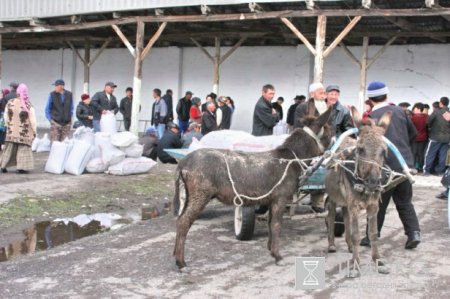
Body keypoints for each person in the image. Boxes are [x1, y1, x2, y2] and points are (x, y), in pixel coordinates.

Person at [360, 81, 421, 249]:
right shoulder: (400, 111)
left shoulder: (370, 118)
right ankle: (414, 233)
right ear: (387, 95)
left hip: (383, 167)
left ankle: (371, 236)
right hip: (404, 165)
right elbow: (413, 134)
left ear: (370, 99)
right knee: (405, 201)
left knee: (377, 202)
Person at [1, 84, 37, 174]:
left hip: (11, 131)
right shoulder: (28, 105)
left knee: (8, 149)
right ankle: (21, 168)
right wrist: (34, 131)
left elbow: (5, 116)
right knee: (23, 149)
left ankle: (3, 166)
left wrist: (8, 125)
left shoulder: (10, 102)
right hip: (24, 133)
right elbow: (33, 120)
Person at [423, 96, 450, 176]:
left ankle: (426, 171)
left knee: (430, 154)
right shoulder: (449, 112)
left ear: (440, 103)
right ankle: (440, 171)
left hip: (435, 137)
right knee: (443, 155)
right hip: (447, 138)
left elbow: (428, 122)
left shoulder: (436, 112)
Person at [411, 103, 428, 172]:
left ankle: (414, 167)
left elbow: (410, 128)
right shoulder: (426, 117)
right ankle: (421, 168)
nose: (413, 110)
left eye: (414, 108)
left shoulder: (413, 118)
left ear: (418, 108)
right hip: (423, 137)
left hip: (414, 137)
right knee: (421, 153)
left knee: (414, 153)